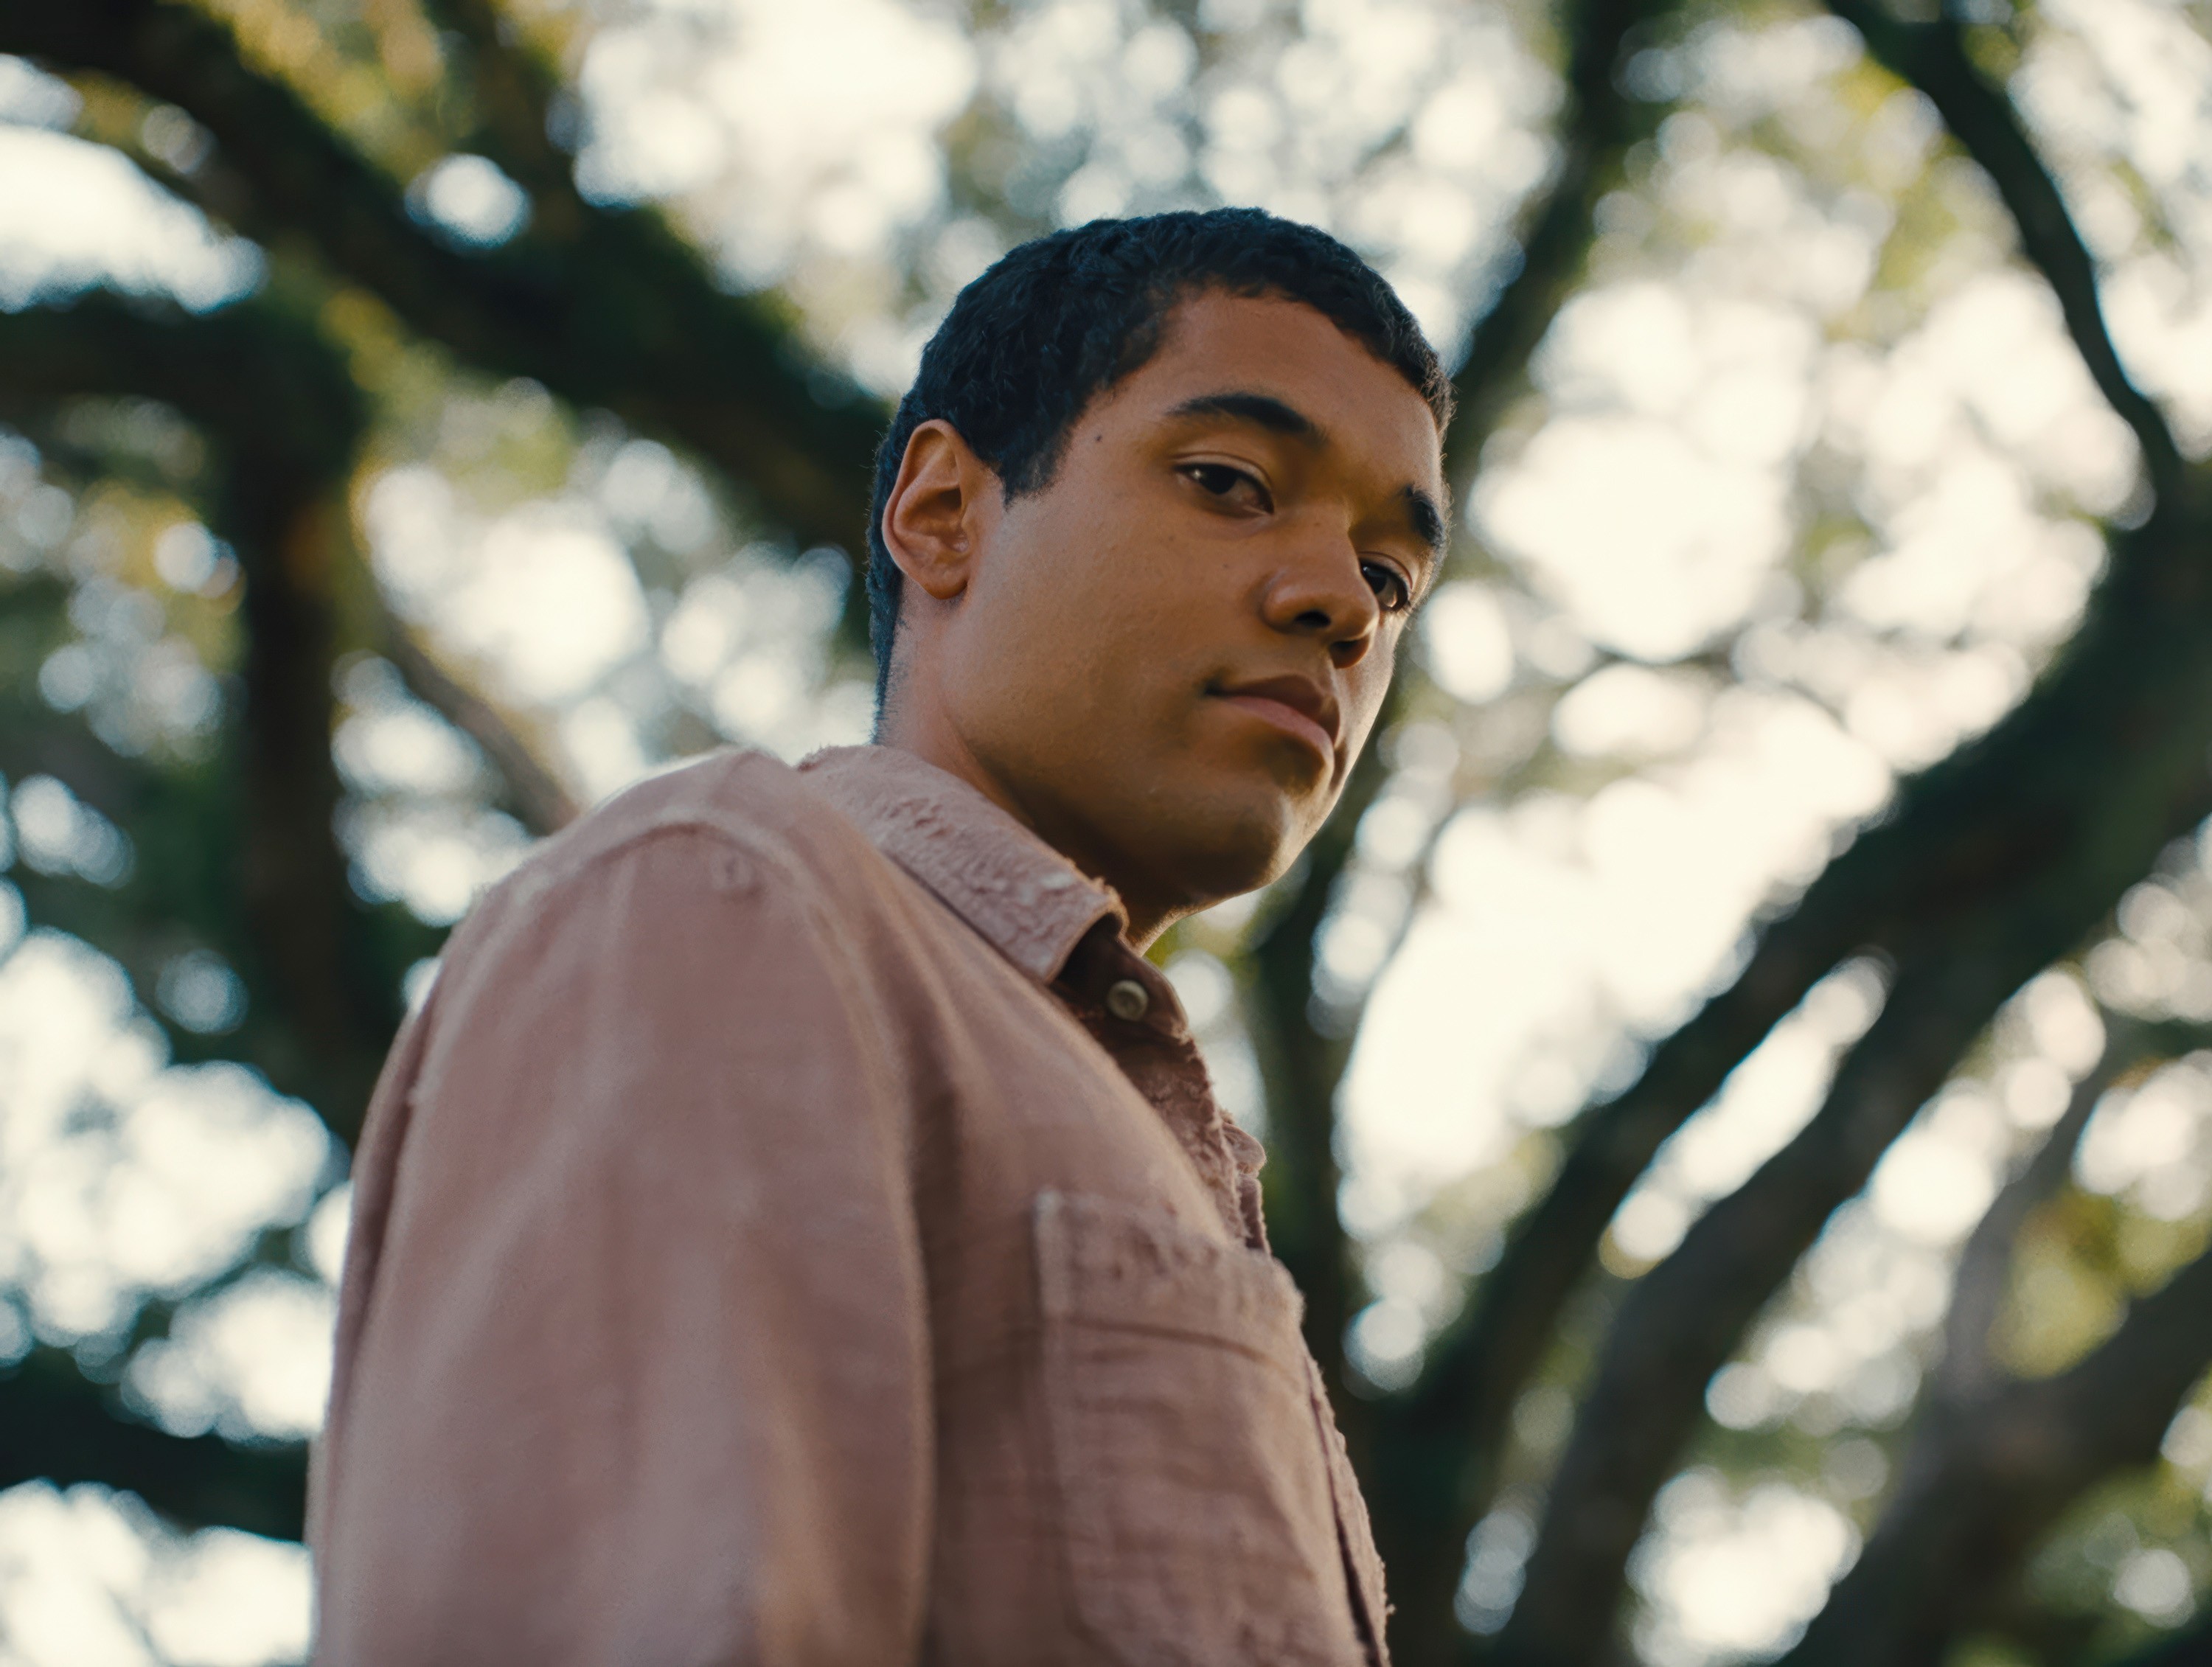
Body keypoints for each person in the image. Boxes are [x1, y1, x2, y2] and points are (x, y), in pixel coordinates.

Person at [310, 207, 1453, 1665]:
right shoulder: (725, 902)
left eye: (1392, 576)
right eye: (1232, 482)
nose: (1338, 604)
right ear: (941, 514)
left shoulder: (1143, 1127)